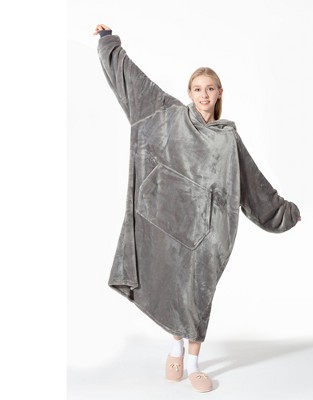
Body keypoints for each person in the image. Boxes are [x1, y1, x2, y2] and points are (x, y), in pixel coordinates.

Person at [93, 23, 301, 393]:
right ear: (189, 92)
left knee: (197, 295)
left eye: (210, 88)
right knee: (169, 284)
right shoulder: (167, 114)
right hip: (166, 220)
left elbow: (251, 182)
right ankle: (174, 350)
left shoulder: (227, 137)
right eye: (197, 89)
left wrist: (283, 212)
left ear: (220, 93)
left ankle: (193, 364)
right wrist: (109, 40)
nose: (204, 94)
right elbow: (132, 81)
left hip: (207, 233)